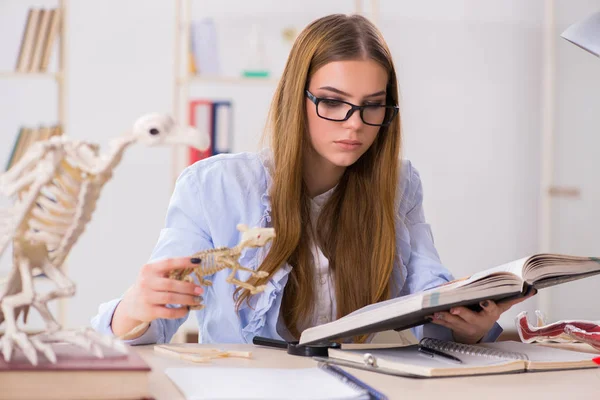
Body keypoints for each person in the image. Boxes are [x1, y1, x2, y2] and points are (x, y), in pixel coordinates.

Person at [91, 14, 532, 345]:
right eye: (332, 102)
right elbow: (152, 326)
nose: (354, 124)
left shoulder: (398, 184)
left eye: (372, 106)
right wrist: (136, 306)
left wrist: (468, 324)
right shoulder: (215, 186)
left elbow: (428, 290)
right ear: (295, 100)